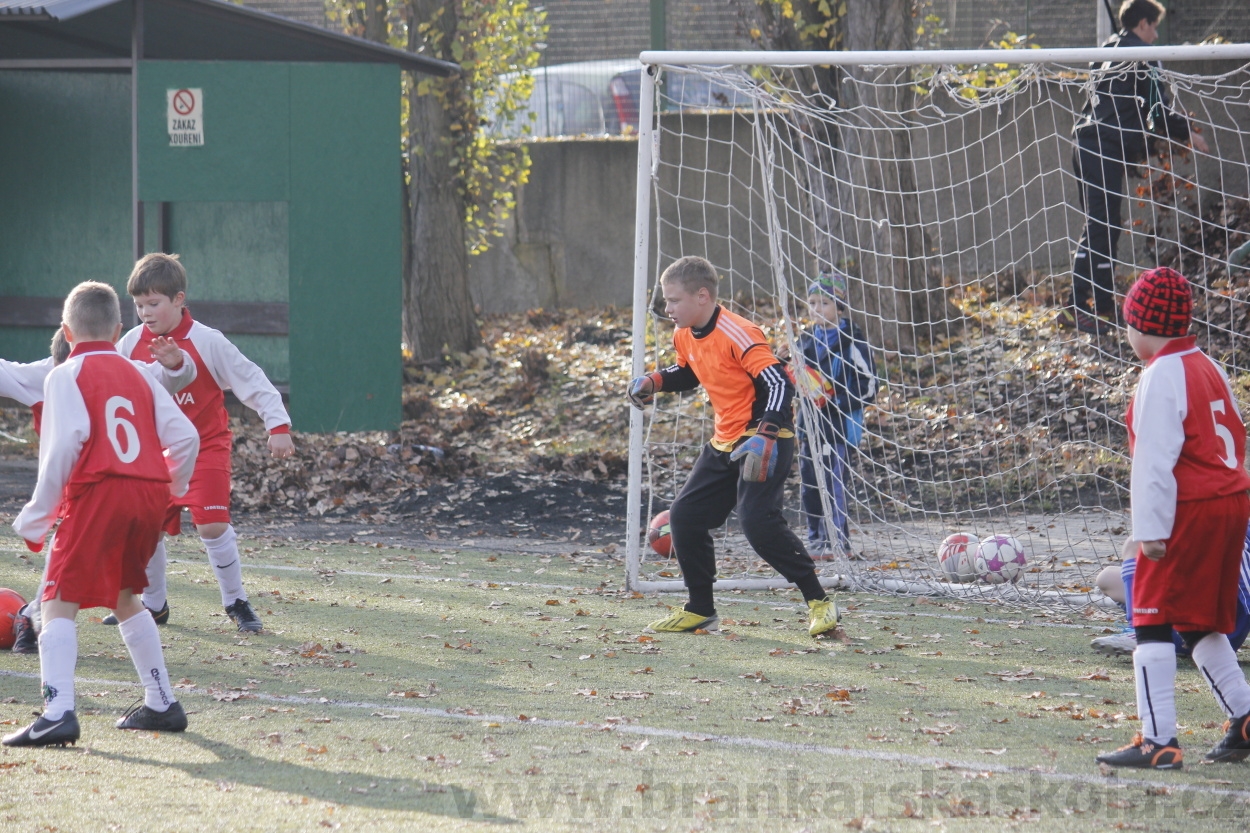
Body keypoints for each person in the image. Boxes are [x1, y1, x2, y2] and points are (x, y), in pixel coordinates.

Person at [4, 281, 199, 747]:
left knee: (55, 600)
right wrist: (171, 488)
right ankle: (162, 703)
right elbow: (186, 437)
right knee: (125, 595)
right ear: (117, 331)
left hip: (100, 491)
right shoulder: (141, 373)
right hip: (148, 494)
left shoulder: (64, 374)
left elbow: (62, 450)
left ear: (67, 332)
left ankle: (57, 713)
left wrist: (36, 517)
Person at [627, 256, 840, 637]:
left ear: (702, 296)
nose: (667, 308)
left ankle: (819, 601)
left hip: (765, 437)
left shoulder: (740, 332)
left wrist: (765, 435)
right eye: (666, 300)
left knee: (757, 522)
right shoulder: (683, 334)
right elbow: (689, 371)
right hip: (724, 440)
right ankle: (700, 609)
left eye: (673, 300)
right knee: (685, 517)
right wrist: (656, 380)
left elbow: (778, 383)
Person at [1096, 267, 1250, 770]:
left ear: (1141, 326)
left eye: (1128, 323)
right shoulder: (1207, 364)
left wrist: (1150, 531)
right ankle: (1246, 717)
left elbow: (1154, 463)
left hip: (1190, 509)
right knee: (1196, 621)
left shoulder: (1160, 375)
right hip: (1231, 500)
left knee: (1150, 619)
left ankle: (1157, 740)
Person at [113, 253, 295, 633]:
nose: (145, 312)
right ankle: (154, 606)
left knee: (211, 525)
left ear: (179, 299)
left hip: (205, 448)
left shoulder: (207, 340)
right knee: (146, 528)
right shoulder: (129, 343)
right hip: (153, 456)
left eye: (153, 303)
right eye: (139, 305)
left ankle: (236, 601)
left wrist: (277, 424)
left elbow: (251, 379)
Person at [2, 328, 196, 654]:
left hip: (94, 486)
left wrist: (178, 365)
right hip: (130, 486)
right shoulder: (53, 372)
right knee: (122, 592)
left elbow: (168, 379)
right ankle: (152, 620)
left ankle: (36, 624)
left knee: (65, 584)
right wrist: (172, 486)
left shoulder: (112, 371)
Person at [1061, 0, 1209, 336]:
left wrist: (1144, 145)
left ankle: (1100, 304)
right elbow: (1156, 111)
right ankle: (1078, 304)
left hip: (1084, 143)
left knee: (1104, 225)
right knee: (1102, 225)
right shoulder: (1141, 54)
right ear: (1143, 24)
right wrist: (1188, 133)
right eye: (1154, 27)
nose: (1155, 35)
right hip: (1103, 146)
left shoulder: (1107, 50)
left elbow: (1122, 107)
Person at [793, 270, 877, 559]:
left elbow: (870, 386)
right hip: (808, 426)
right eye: (812, 303)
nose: (817, 309)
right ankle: (816, 538)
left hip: (839, 425)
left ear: (839, 307)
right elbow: (797, 381)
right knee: (809, 484)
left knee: (833, 483)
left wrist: (835, 400)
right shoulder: (803, 340)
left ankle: (837, 541)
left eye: (825, 303)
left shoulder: (852, 341)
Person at [1091, 528, 1250, 657]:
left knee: (1135, 543)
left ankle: (1141, 633)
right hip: (1181, 620)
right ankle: (1139, 629)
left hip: (1213, 635)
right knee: (1108, 576)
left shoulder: (1234, 530)